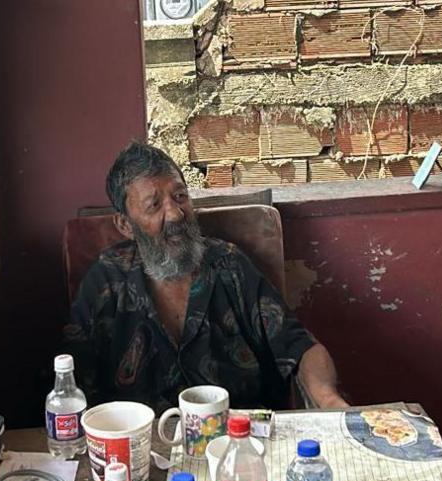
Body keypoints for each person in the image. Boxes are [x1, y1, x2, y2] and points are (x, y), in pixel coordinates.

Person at [64, 141, 348, 412]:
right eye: (154, 205)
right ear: (125, 225)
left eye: (180, 196)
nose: (175, 214)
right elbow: (71, 377)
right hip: (140, 446)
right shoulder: (107, 278)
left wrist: (329, 400)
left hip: (237, 439)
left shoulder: (229, 264)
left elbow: (300, 347)